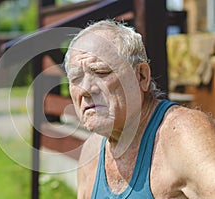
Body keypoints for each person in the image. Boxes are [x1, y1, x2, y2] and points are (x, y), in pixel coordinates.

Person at [64, 19, 215, 199]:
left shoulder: (183, 133)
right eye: (76, 78)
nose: (86, 89)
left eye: (101, 72)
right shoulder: (91, 151)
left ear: (142, 76)